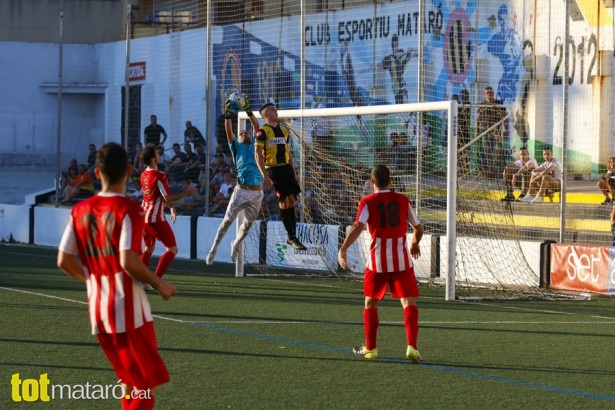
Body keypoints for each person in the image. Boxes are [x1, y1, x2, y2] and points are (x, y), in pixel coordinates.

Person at [57, 142, 176, 409]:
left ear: (97, 174)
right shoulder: (130, 210)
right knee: (147, 385)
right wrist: (160, 283)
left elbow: (63, 260)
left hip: (99, 308)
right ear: (129, 171)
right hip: (127, 308)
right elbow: (128, 260)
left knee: (129, 382)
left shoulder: (80, 211)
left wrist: (94, 280)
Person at [337, 164, 423, 363]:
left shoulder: (367, 201)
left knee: (370, 302)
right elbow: (418, 228)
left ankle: (371, 348)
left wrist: (343, 249)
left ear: (371, 181)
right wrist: (414, 244)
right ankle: (412, 347)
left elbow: (358, 226)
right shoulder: (403, 200)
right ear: (390, 181)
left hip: (377, 262)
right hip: (401, 260)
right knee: (408, 302)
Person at [206, 96, 264, 264]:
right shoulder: (236, 148)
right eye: (241, 133)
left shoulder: (255, 144)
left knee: (246, 227)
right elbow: (228, 132)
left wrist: (247, 110)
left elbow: (256, 126)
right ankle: (214, 249)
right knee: (227, 222)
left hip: (257, 192)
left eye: (245, 132)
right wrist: (227, 114)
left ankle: (236, 243)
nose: (244, 132)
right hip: (241, 190)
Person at [140, 145, 197, 279]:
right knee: (172, 249)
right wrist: (187, 192)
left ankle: (140, 280)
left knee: (149, 248)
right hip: (155, 218)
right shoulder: (159, 175)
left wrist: (171, 207)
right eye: (157, 154)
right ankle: (156, 280)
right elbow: (167, 197)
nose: (160, 155)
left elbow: (157, 196)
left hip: (144, 215)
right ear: (153, 158)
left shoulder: (144, 174)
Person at [255, 103, 307, 250]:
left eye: (275, 109)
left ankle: (293, 236)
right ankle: (291, 237)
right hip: (274, 169)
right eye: (272, 110)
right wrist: (265, 175)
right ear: (266, 115)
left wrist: (293, 172)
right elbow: (257, 154)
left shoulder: (284, 131)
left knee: (292, 201)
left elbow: (288, 154)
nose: (275, 111)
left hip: (286, 169)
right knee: (284, 200)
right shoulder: (262, 132)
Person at [476, 86, 509, 179]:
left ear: (493, 93)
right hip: (485, 131)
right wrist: (477, 130)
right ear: (485, 94)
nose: (489, 95)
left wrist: (506, 129)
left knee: (498, 151)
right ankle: (490, 172)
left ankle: (499, 172)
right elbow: (478, 118)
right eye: (487, 93)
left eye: (490, 93)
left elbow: (504, 117)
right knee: (488, 152)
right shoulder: (482, 104)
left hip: (497, 131)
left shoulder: (499, 103)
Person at [378, 34, 418, 104]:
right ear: (392, 45)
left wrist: (410, 50)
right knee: (399, 108)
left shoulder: (402, 54)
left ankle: (411, 111)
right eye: (394, 45)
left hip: (402, 85)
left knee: (405, 102)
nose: (395, 47)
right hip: (395, 87)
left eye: (396, 44)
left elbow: (414, 54)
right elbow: (380, 65)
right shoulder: (389, 59)